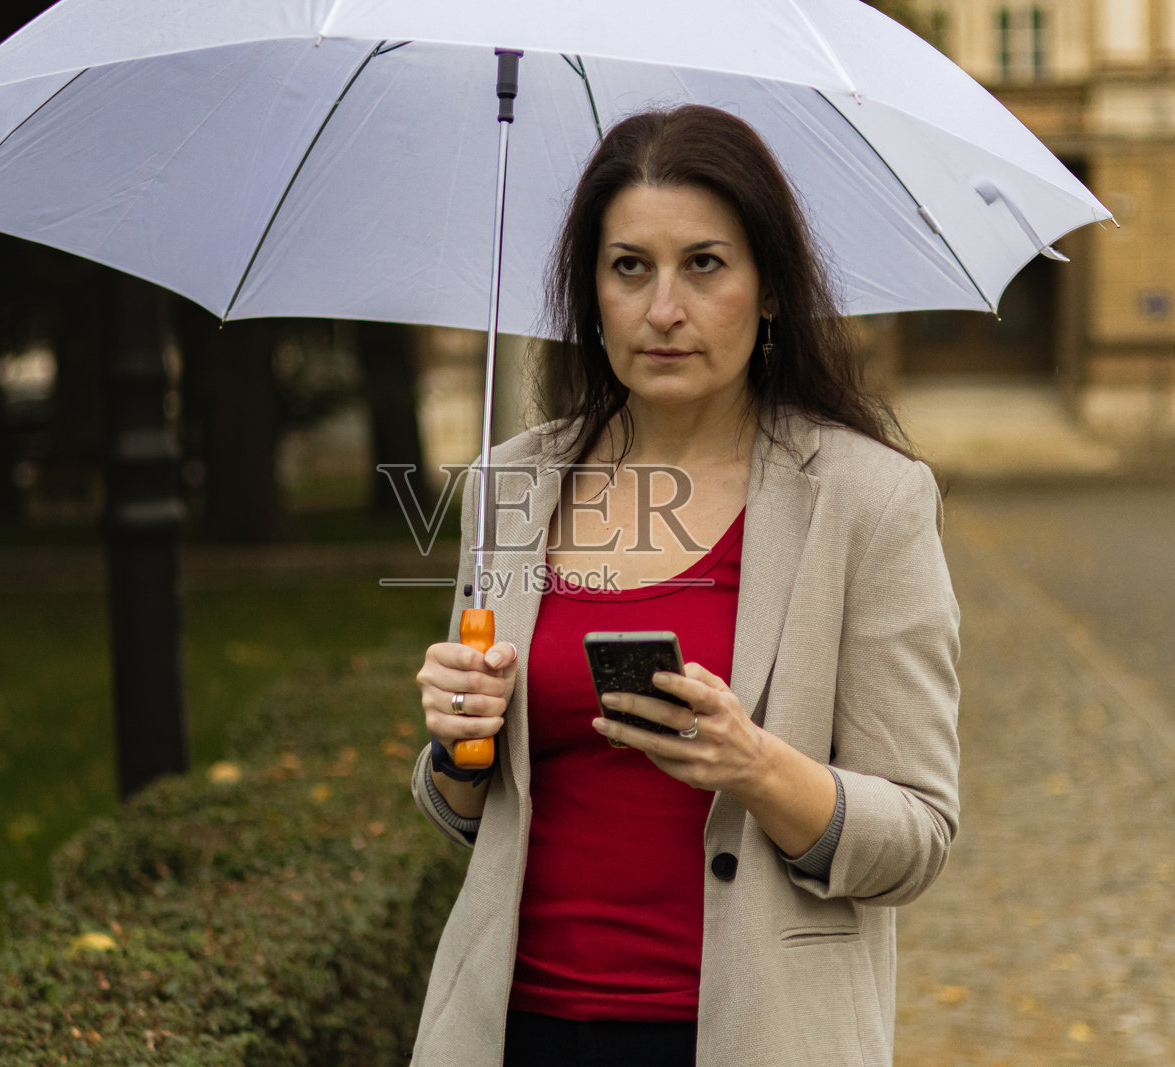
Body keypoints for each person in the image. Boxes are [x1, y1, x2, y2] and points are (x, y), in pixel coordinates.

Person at [410, 105, 960, 1067]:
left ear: (771, 290)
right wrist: (458, 744)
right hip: (513, 1028)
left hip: (754, 1033)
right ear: (591, 293)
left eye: (704, 264)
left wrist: (756, 764)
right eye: (631, 267)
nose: (664, 308)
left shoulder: (871, 500)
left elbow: (916, 838)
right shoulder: (510, 487)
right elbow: (470, 810)